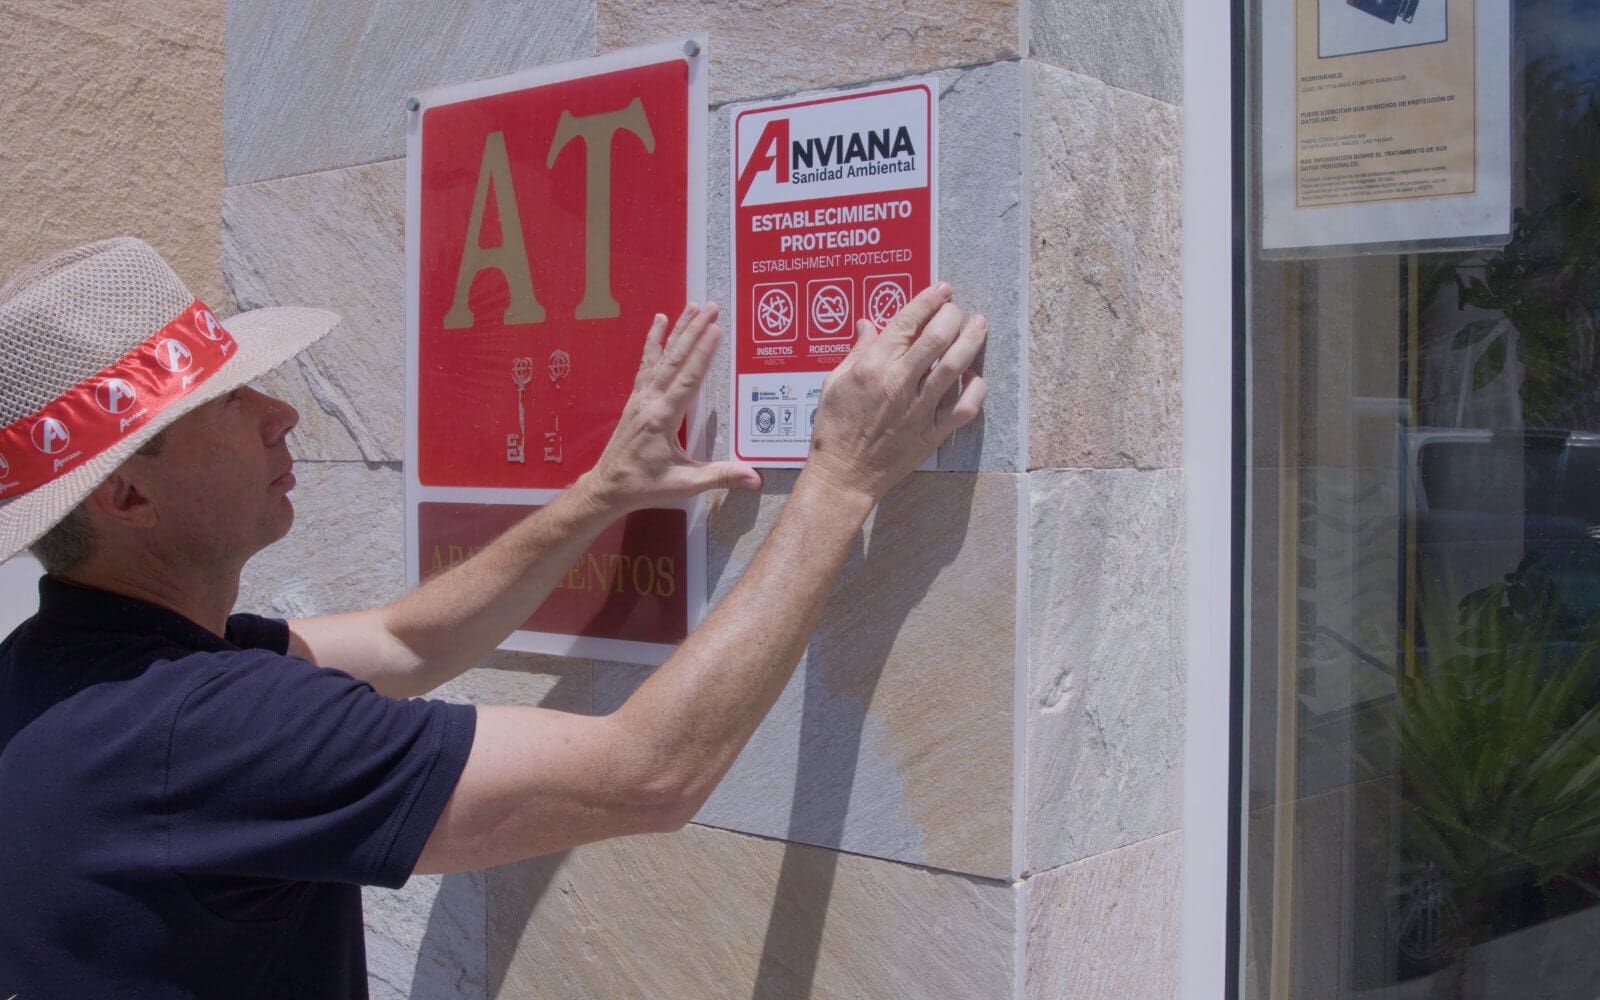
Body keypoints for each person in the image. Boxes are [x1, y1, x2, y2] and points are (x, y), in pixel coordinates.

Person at [0, 237, 986, 997]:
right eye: (227, 404)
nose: (281, 413)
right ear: (126, 498)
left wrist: (603, 491)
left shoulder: (63, 674)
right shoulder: (208, 731)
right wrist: (842, 480)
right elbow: (650, 773)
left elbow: (403, 642)